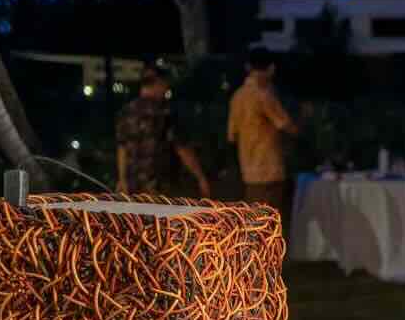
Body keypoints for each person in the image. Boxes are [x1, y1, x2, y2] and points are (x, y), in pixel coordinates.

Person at [115, 63, 210, 197]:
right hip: (158, 189)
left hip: (131, 189)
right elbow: (181, 148)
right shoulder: (165, 113)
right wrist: (200, 177)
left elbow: (122, 148)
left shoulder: (126, 112)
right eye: (165, 85)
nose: (166, 90)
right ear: (158, 83)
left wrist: (122, 180)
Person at [228, 47, 300, 218]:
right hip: (269, 170)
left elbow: (232, 135)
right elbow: (284, 124)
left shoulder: (237, 96)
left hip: (248, 170)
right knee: (269, 223)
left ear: (248, 67)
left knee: (253, 222)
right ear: (271, 68)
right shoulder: (264, 95)